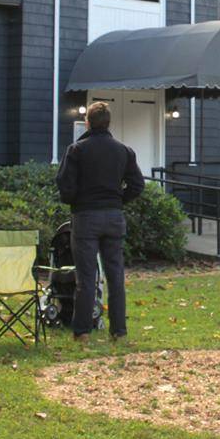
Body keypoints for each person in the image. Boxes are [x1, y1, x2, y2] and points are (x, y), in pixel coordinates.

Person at [56, 101, 144, 342]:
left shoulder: (77, 150)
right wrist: (119, 200)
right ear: (108, 122)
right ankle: (119, 331)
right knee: (116, 275)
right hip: (114, 216)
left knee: (86, 276)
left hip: (85, 217)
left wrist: (76, 200)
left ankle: (82, 330)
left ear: (88, 122)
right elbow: (138, 185)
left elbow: (65, 185)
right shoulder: (123, 151)